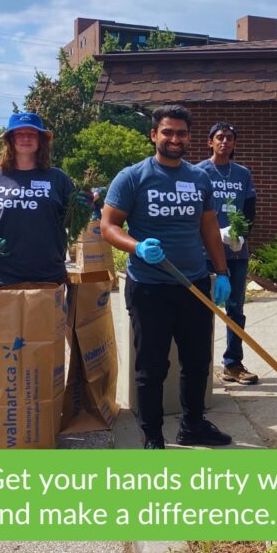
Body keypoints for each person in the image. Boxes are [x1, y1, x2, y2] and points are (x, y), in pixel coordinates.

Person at [101, 104, 233, 449]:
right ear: (154, 135)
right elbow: (108, 225)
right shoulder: (133, 177)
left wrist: (222, 273)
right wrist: (137, 246)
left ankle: (192, 425)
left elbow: (208, 227)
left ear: (190, 137)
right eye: (168, 132)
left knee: (197, 362)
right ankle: (153, 434)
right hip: (150, 287)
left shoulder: (198, 178)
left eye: (181, 133)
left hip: (193, 284)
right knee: (152, 366)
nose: (175, 139)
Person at [0, 112, 74, 286]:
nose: (25, 138)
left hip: (49, 274)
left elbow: (72, 223)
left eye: (32, 134)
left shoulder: (58, 178)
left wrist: (83, 207)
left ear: (40, 139)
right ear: (10, 139)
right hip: (2, 276)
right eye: (19, 133)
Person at [197, 122, 258, 385]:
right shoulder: (198, 172)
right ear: (210, 142)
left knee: (235, 308)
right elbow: (194, 210)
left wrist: (242, 234)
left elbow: (250, 209)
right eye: (220, 137)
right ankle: (199, 364)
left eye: (230, 138)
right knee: (201, 309)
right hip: (205, 252)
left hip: (236, 253)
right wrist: (213, 233)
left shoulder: (243, 173)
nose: (225, 142)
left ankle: (232, 363)